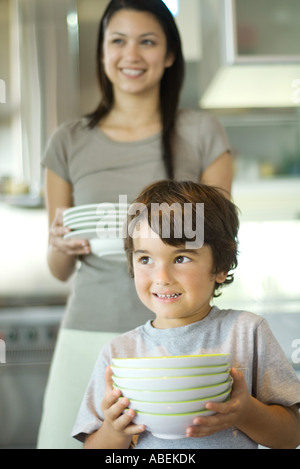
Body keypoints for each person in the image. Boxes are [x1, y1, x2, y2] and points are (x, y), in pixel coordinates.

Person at [37, 0, 233, 449]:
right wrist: (60, 247)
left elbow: (219, 237)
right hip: (89, 326)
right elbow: (59, 270)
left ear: (169, 55)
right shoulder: (67, 141)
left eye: (148, 41)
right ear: (103, 53)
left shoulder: (203, 133)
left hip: (185, 334)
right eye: (118, 41)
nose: (131, 54)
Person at [72, 180, 300, 449]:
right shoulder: (118, 353)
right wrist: (115, 430)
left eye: (181, 258)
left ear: (220, 267)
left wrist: (246, 412)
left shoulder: (248, 332)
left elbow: (291, 435)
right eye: (145, 259)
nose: (162, 277)